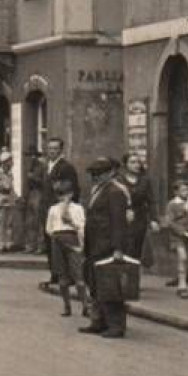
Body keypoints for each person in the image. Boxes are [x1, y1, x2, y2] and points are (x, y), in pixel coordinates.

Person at [80, 158, 131, 339]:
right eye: (93, 174)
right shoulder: (99, 190)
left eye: (99, 173)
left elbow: (119, 222)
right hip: (94, 245)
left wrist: (118, 248)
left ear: (110, 173)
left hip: (107, 245)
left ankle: (116, 325)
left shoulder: (115, 192)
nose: (95, 177)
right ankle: (99, 321)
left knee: (110, 286)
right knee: (95, 284)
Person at [45, 177, 88, 318]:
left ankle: (85, 305)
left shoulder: (77, 209)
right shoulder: (53, 209)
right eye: (60, 195)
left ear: (71, 194)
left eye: (66, 194)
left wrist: (72, 224)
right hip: (58, 239)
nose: (63, 198)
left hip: (72, 237)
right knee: (62, 276)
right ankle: (67, 306)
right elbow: (49, 228)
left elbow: (82, 226)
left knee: (78, 275)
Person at [40, 138, 79, 289]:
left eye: (55, 148)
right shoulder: (48, 166)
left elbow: (70, 190)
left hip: (60, 210)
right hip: (48, 210)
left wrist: (65, 208)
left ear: (61, 150)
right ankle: (55, 274)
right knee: (50, 244)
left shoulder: (66, 167)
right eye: (49, 148)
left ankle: (66, 275)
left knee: (61, 244)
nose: (52, 151)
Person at [157, 177, 188, 299]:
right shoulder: (172, 204)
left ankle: (184, 281)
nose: (186, 192)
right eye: (183, 190)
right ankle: (182, 286)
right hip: (178, 236)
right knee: (183, 257)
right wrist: (182, 232)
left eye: (187, 190)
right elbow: (170, 222)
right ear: (176, 192)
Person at [121, 150, 155, 276]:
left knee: (137, 247)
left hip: (140, 217)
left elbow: (151, 201)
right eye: (132, 162)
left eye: (138, 162)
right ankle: (124, 276)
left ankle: (133, 278)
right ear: (125, 164)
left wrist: (154, 219)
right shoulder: (119, 180)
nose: (136, 165)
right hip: (123, 217)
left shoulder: (145, 181)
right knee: (125, 246)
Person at [0, 150, 21, 254]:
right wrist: (1, 189)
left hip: (10, 200)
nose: (12, 163)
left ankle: (7, 244)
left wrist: (16, 197)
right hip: (2, 201)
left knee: (9, 223)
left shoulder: (9, 173)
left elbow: (11, 187)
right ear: (4, 162)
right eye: (10, 161)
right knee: (0, 223)